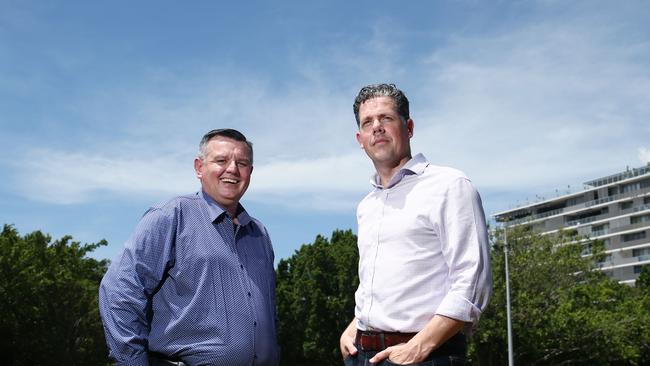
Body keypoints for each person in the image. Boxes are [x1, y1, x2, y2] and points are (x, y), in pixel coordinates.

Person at [339, 84, 492, 365]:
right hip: (361, 355)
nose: (377, 128)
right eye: (368, 122)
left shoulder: (449, 185)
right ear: (360, 139)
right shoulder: (367, 205)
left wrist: (419, 347)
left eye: (386, 118)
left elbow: (472, 282)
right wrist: (355, 325)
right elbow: (384, 285)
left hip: (426, 355)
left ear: (408, 127)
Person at [99, 129, 279, 366]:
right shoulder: (172, 216)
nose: (233, 169)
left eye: (242, 163)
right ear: (199, 168)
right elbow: (119, 292)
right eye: (221, 161)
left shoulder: (259, 234)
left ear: (250, 172)